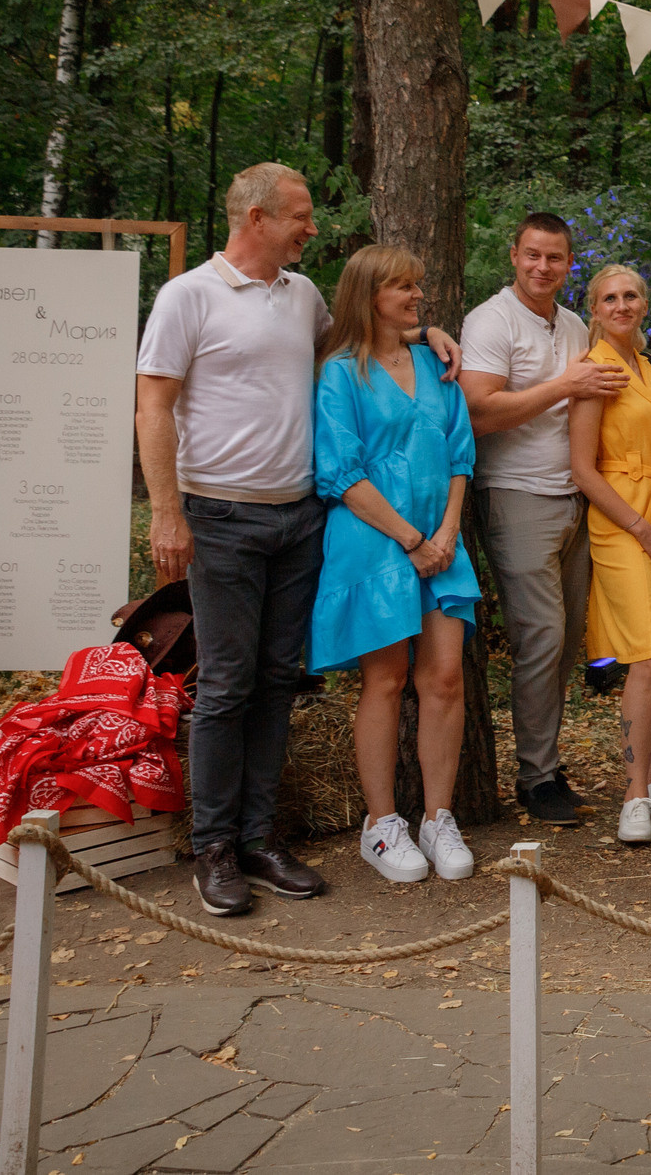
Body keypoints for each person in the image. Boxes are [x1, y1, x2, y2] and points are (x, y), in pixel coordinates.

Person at [136, 161, 455, 913]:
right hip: (219, 513)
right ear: (256, 219)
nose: (312, 229)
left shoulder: (303, 295)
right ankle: (213, 846)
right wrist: (165, 511)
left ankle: (258, 835)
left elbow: (359, 343)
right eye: (300, 216)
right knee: (224, 683)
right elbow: (153, 408)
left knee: (279, 679)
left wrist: (426, 329)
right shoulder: (189, 296)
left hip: (300, 515)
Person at [309, 245, 481, 884]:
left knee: (444, 680)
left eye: (418, 285)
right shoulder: (338, 374)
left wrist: (447, 531)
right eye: (403, 288)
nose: (416, 297)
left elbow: (461, 453)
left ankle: (439, 817)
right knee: (384, 680)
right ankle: (381, 826)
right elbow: (340, 473)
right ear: (370, 295)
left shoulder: (434, 361)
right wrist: (412, 539)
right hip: (376, 537)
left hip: (441, 537)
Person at [461, 212, 624, 826]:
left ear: (568, 263)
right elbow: (478, 412)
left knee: (564, 641)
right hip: (515, 493)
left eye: (554, 258)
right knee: (541, 637)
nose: (542, 267)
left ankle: (546, 763)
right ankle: (534, 778)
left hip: (574, 495)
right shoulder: (491, 320)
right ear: (514, 254)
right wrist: (565, 384)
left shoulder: (576, 323)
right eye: (532, 255)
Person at [565, 266, 651, 846]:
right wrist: (642, 528)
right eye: (609, 297)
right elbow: (582, 469)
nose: (622, 304)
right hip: (625, 523)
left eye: (631, 295)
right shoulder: (594, 370)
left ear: (645, 303)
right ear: (594, 307)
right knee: (645, 655)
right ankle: (633, 794)